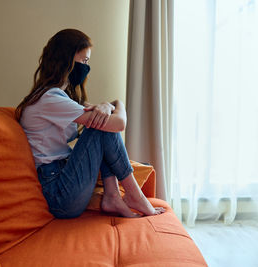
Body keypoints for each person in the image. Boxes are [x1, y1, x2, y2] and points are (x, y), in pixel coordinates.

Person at [15, 29, 165, 219]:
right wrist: (118, 103)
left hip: (62, 180)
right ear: (67, 59)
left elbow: (105, 117)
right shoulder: (49, 99)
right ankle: (134, 196)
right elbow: (118, 124)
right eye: (84, 61)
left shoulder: (58, 97)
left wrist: (106, 105)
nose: (86, 67)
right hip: (58, 194)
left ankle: (113, 196)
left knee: (99, 124)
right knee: (100, 126)